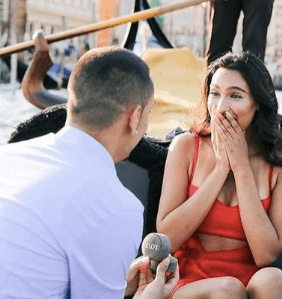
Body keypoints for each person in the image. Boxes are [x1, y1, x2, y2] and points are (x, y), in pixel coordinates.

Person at [0, 45, 178, 299]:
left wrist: (119, 280)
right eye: (148, 114)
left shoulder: (7, 157)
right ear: (135, 117)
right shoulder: (117, 206)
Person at [156, 52, 282, 298]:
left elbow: (265, 255)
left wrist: (241, 168)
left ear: (257, 103)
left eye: (235, 96)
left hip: (250, 282)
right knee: (227, 290)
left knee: (274, 280)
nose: (221, 107)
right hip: (187, 280)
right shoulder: (184, 147)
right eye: (215, 94)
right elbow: (167, 239)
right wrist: (220, 169)